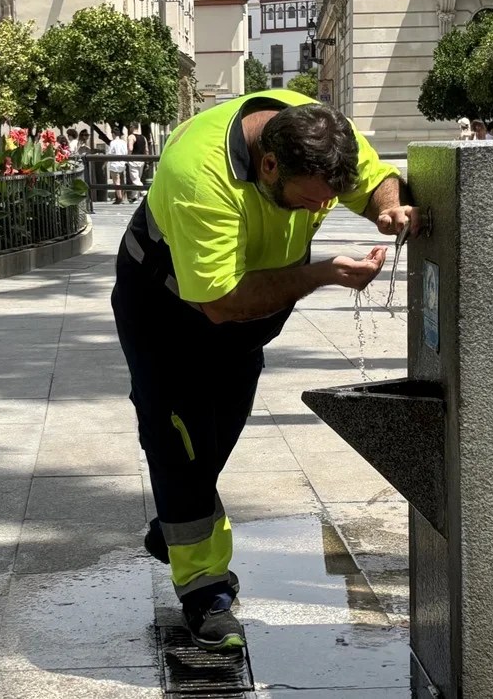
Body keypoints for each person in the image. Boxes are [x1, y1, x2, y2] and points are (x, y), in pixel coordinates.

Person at [111, 89, 420, 652]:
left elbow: (376, 180)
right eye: (304, 204)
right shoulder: (198, 176)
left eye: (324, 203)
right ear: (268, 164)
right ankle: (204, 590)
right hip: (170, 310)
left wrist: (388, 206)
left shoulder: (319, 132)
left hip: (251, 313)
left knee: (218, 432)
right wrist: (322, 273)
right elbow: (222, 301)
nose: (315, 213)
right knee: (180, 441)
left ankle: (176, 526)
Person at [126, 124, 148, 203]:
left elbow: (130, 148)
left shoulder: (131, 137)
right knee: (138, 178)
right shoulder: (143, 137)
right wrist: (147, 159)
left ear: (132, 127)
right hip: (141, 160)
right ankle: (134, 197)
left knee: (135, 179)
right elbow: (146, 150)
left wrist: (128, 157)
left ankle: (145, 193)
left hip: (133, 159)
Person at [107, 129, 128, 204]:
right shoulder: (123, 142)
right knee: (122, 181)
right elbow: (126, 152)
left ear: (113, 134)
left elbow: (110, 152)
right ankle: (122, 196)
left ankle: (119, 198)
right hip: (122, 163)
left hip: (114, 163)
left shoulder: (113, 142)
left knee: (116, 181)